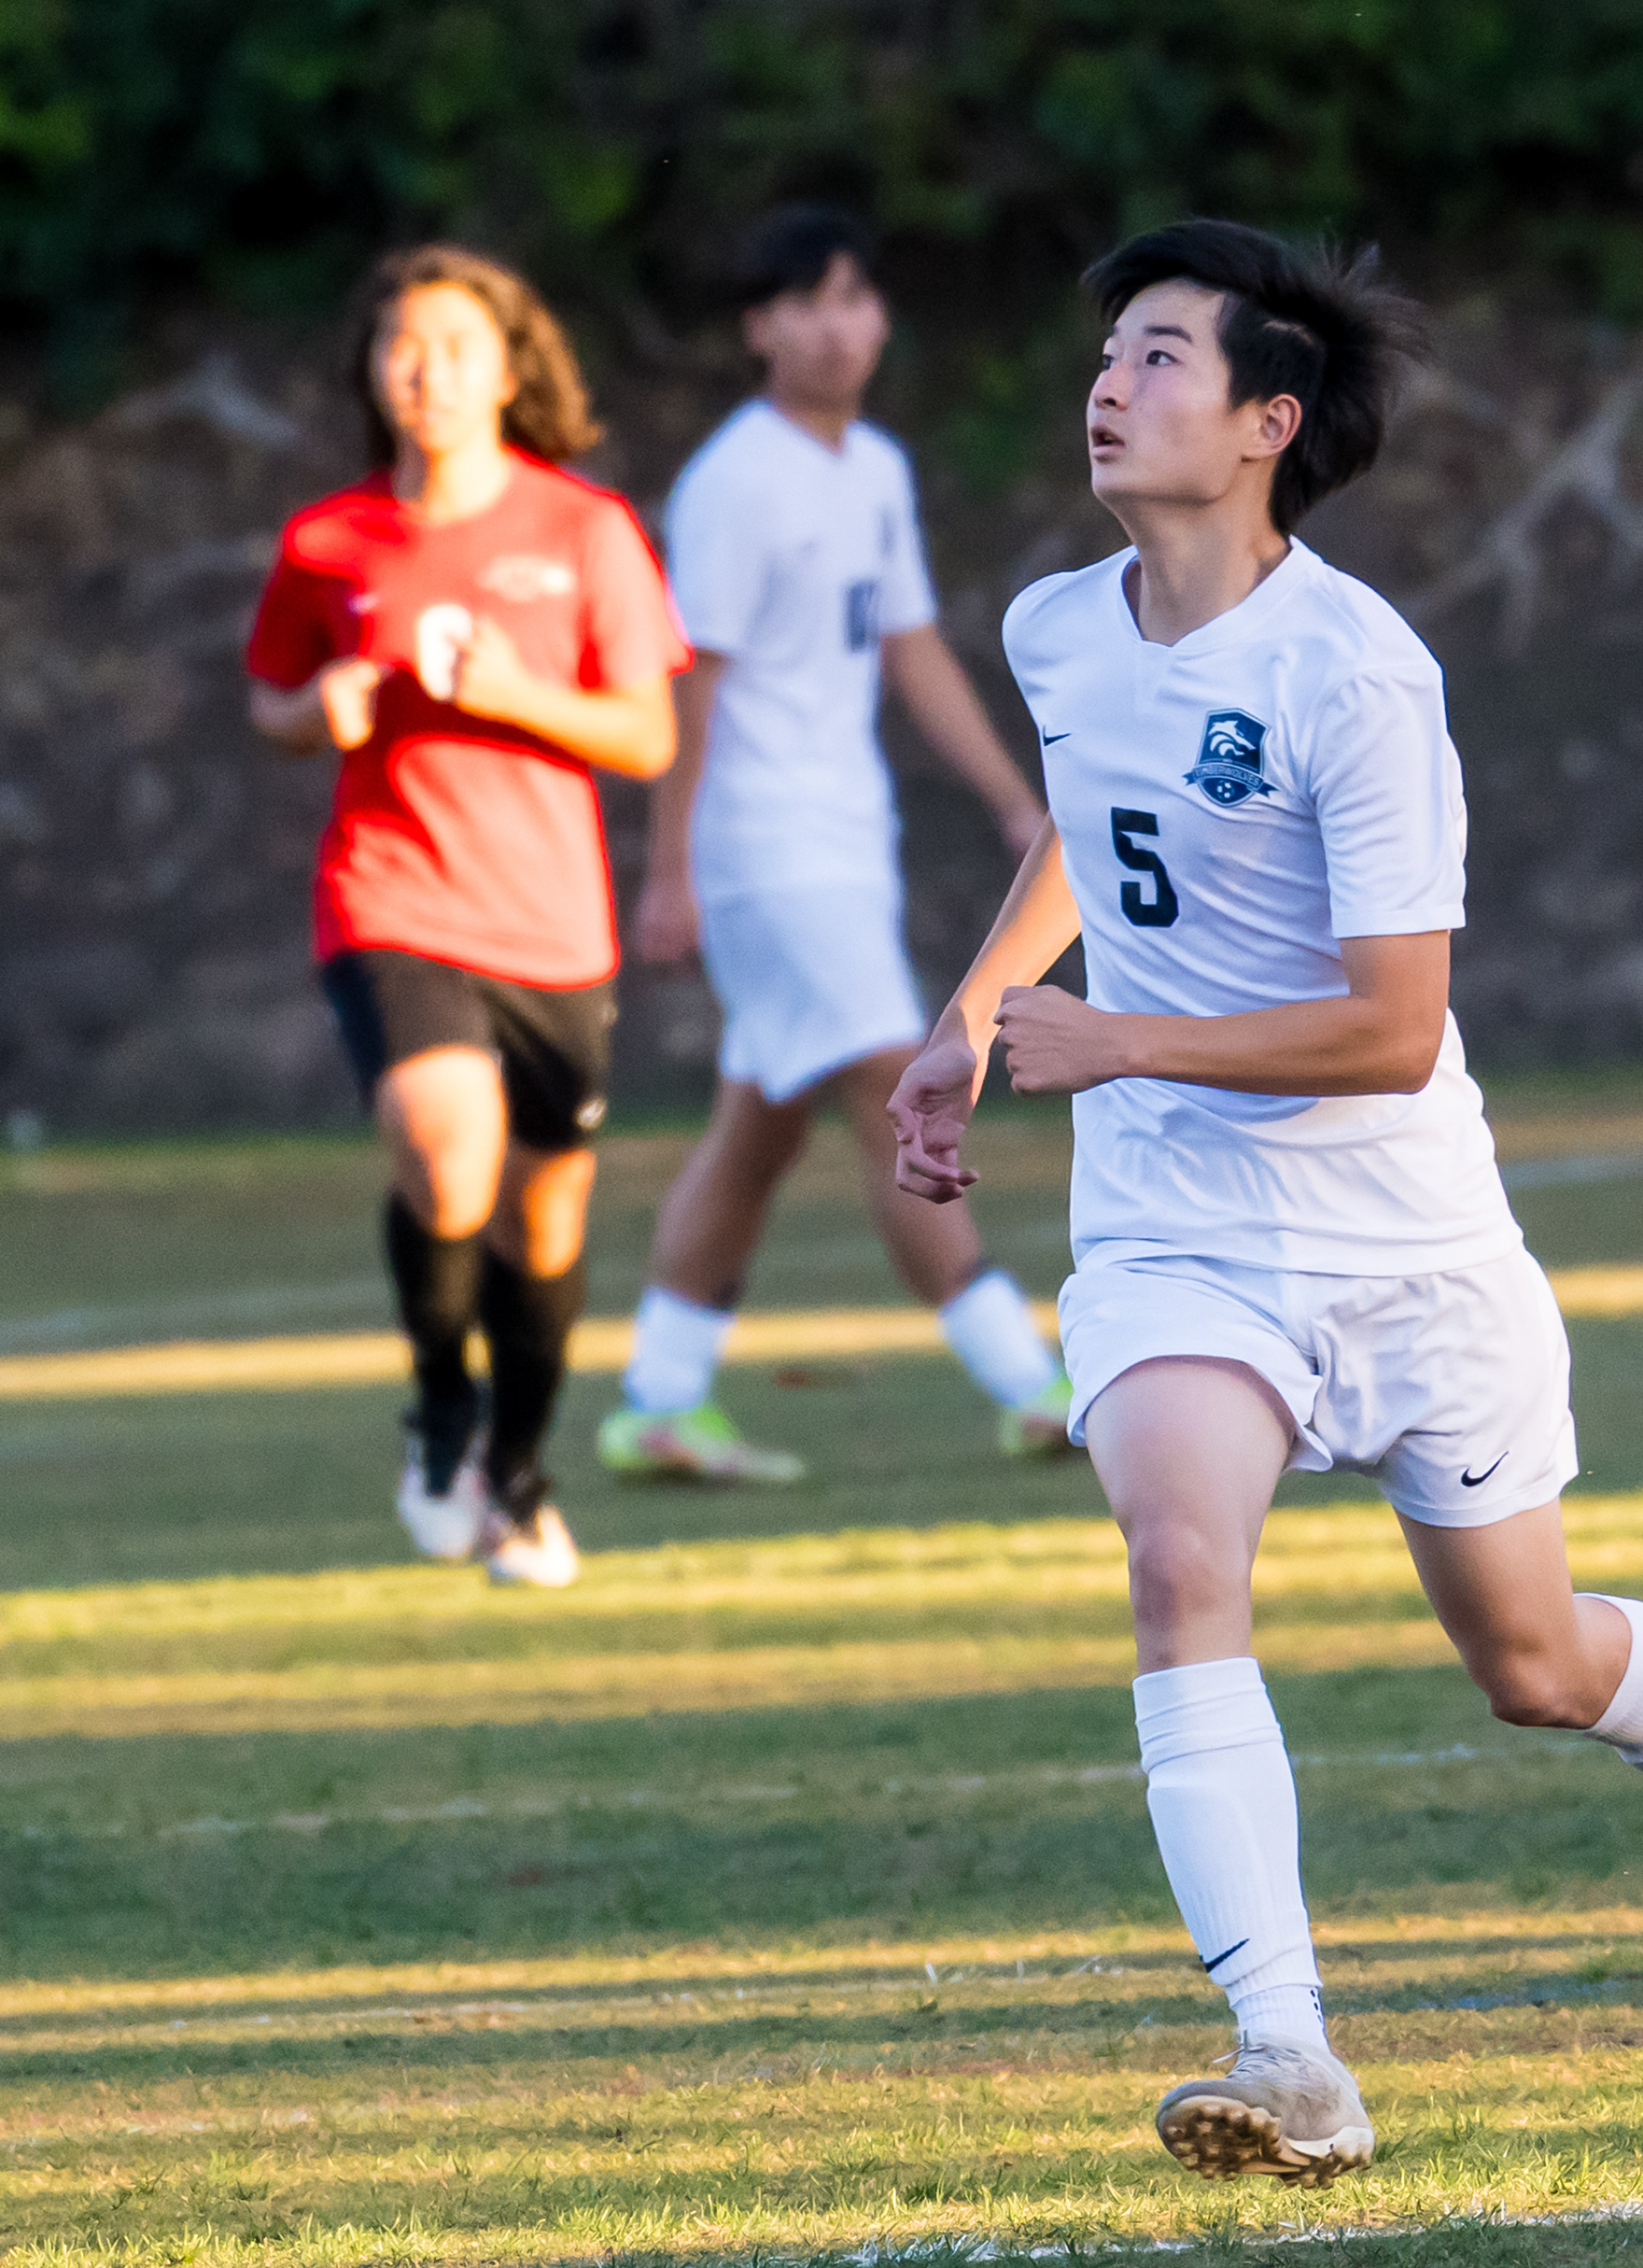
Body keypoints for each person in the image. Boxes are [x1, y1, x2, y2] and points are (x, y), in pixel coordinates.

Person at [887, 218, 1643, 2188]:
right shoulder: (1059, 628)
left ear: (1266, 424)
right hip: (1175, 1232)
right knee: (1176, 1560)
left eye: (1160, 356)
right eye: (1108, 352)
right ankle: (1288, 2052)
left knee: (1533, 1667)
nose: (1109, 384)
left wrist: (1118, 1038)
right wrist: (967, 1020)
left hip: (1407, 1244)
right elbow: (1094, 825)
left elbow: (1393, 1028)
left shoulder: (1361, 676)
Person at [602, 205, 1070, 1486]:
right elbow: (693, 680)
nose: (836, 325)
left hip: (848, 841)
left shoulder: (873, 469)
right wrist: (670, 869)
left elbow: (910, 648)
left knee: (758, 1128)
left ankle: (658, 1400)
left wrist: (1012, 798)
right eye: (805, 300)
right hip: (764, 848)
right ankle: (1032, 1383)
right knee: (889, 1081)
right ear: (759, 327)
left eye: (855, 297)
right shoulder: (734, 480)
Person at [246, 245, 688, 1589]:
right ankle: (441, 1410)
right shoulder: (327, 541)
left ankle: (519, 1474)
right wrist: (314, 710)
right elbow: (271, 699)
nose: (424, 371)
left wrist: (513, 694)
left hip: (553, 926)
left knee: (543, 1225)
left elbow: (648, 735)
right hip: (390, 894)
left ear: (507, 370)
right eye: (402, 346)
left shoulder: (586, 529)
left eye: (453, 347)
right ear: (372, 371)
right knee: (448, 1156)